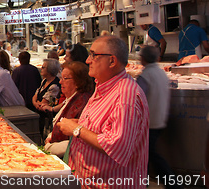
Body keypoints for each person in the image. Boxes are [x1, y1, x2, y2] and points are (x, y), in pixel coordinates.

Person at [57, 35, 149, 187]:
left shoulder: (125, 96)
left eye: (93, 55)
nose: (88, 60)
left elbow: (116, 145)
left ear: (112, 61)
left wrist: (77, 129)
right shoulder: (103, 87)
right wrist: (82, 123)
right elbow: (106, 128)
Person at [136, 46, 181, 189]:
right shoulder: (161, 73)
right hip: (160, 119)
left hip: (149, 122)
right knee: (148, 154)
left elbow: (137, 98)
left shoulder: (145, 76)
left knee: (149, 154)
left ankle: (172, 184)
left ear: (143, 58)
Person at [43, 61, 94, 158]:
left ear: (78, 82)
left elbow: (75, 142)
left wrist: (49, 147)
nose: (60, 81)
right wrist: (50, 137)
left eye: (65, 78)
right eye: (61, 77)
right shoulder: (69, 99)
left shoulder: (82, 103)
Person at [32, 58, 61, 141]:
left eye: (43, 67)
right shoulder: (44, 81)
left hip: (47, 119)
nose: (41, 68)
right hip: (40, 117)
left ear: (50, 70)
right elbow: (35, 96)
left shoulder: (54, 85)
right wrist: (36, 102)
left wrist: (36, 102)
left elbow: (42, 105)